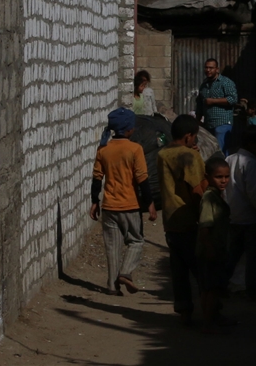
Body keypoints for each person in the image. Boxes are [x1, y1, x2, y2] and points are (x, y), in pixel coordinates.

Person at [89, 107, 158, 294]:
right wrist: (150, 202)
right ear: (129, 130)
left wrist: (95, 202)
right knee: (136, 241)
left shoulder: (103, 149)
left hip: (109, 206)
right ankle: (126, 272)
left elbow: (97, 177)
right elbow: (142, 178)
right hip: (130, 205)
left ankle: (112, 286)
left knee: (112, 247)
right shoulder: (135, 149)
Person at [157, 114, 208, 323]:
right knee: (202, 270)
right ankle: (211, 312)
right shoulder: (189, 156)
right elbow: (197, 190)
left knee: (179, 270)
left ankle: (185, 311)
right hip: (188, 218)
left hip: (171, 220)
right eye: (194, 137)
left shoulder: (163, 153)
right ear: (188, 136)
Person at [224, 127, 256, 301]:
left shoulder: (229, 159)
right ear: (253, 144)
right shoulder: (251, 163)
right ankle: (251, 290)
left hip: (233, 215)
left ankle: (222, 283)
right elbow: (255, 194)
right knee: (252, 256)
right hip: (250, 219)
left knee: (233, 253)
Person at [197, 156, 236, 333]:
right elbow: (205, 227)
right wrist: (210, 248)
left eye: (226, 177)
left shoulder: (216, 196)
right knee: (211, 288)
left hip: (216, 248)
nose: (223, 181)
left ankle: (211, 318)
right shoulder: (209, 199)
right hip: (210, 250)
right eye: (219, 177)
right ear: (208, 176)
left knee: (211, 287)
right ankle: (207, 322)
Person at [196, 58, 238, 151]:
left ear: (217, 69)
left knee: (221, 151)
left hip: (222, 123)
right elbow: (199, 104)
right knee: (210, 151)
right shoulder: (204, 85)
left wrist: (213, 101)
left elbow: (233, 99)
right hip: (208, 125)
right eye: (206, 68)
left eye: (211, 68)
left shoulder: (225, 82)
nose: (208, 70)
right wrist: (197, 121)